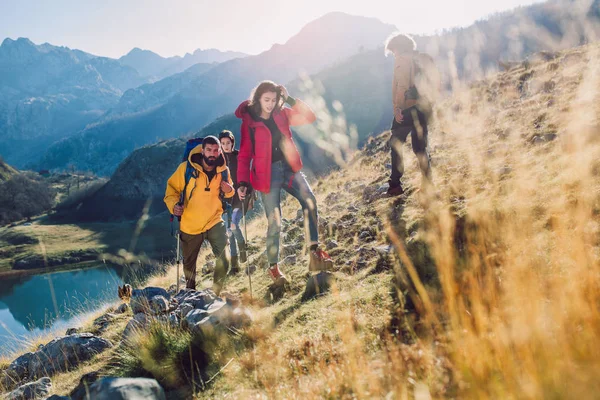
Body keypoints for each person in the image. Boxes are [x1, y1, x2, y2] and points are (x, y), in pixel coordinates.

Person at [235, 81, 333, 285]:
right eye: (266, 100)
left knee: (310, 202)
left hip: (289, 168)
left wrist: (289, 99)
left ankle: (314, 253)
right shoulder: (249, 123)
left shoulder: (283, 113)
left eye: (274, 100)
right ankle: (274, 267)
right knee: (275, 222)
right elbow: (244, 155)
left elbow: (309, 117)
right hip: (266, 175)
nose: (270, 104)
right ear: (258, 99)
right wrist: (242, 182)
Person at [164, 136, 235, 295]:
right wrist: (174, 207)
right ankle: (191, 296)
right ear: (202, 150)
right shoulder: (186, 168)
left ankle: (215, 293)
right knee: (189, 269)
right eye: (209, 150)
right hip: (190, 225)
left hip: (214, 221)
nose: (212, 154)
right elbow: (171, 191)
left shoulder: (223, 170)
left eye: (216, 150)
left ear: (219, 151)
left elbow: (230, 192)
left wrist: (229, 190)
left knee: (225, 258)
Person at [385, 33, 440, 196]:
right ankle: (428, 184)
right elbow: (436, 83)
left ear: (398, 47)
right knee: (420, 147)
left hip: (407, 109)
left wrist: (397, 109)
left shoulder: (402, 60)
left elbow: (400, 87)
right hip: (424, 108)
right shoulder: (422, 58)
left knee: (396, 144)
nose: (394, 54)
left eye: (393, 51)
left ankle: (395, 185)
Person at [219, 130, 254, 274]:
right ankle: (234, 266)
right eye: (223, 143)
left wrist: (245, 189)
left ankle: (243, 246)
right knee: (229, 232)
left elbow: (248, 174)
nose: (226, 146)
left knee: (233, 225)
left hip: (241, 197)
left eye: (228, 143)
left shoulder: (240, 156)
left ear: (232, 142)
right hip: (226, 199)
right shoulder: (219, 160)